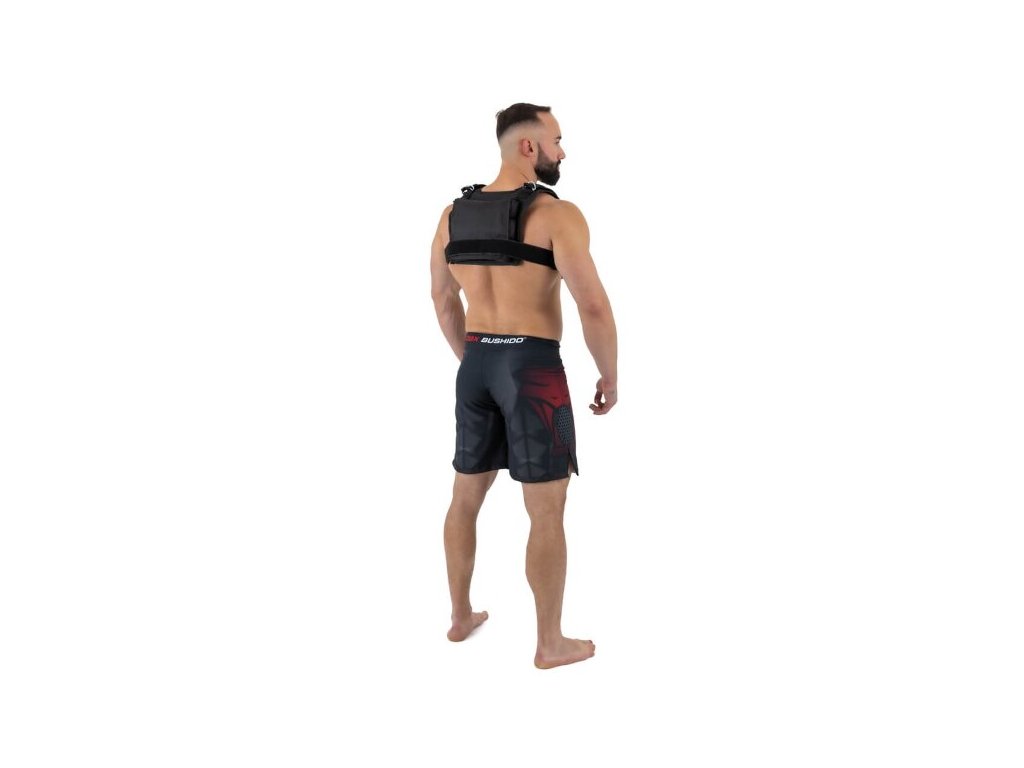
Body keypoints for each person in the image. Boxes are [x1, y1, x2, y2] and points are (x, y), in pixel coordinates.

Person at [430, 103, 617, 669]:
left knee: (465, 497)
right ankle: (549, 643)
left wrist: (476, 360)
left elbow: (443, 299)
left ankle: (460, 616)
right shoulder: (557, 215)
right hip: (533, 370)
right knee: (546, 509)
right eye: (556, 140)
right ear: (528, 147)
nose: (563, 151)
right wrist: (609, 373)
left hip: (477, 364)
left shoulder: (452, 215)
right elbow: (592, 305)